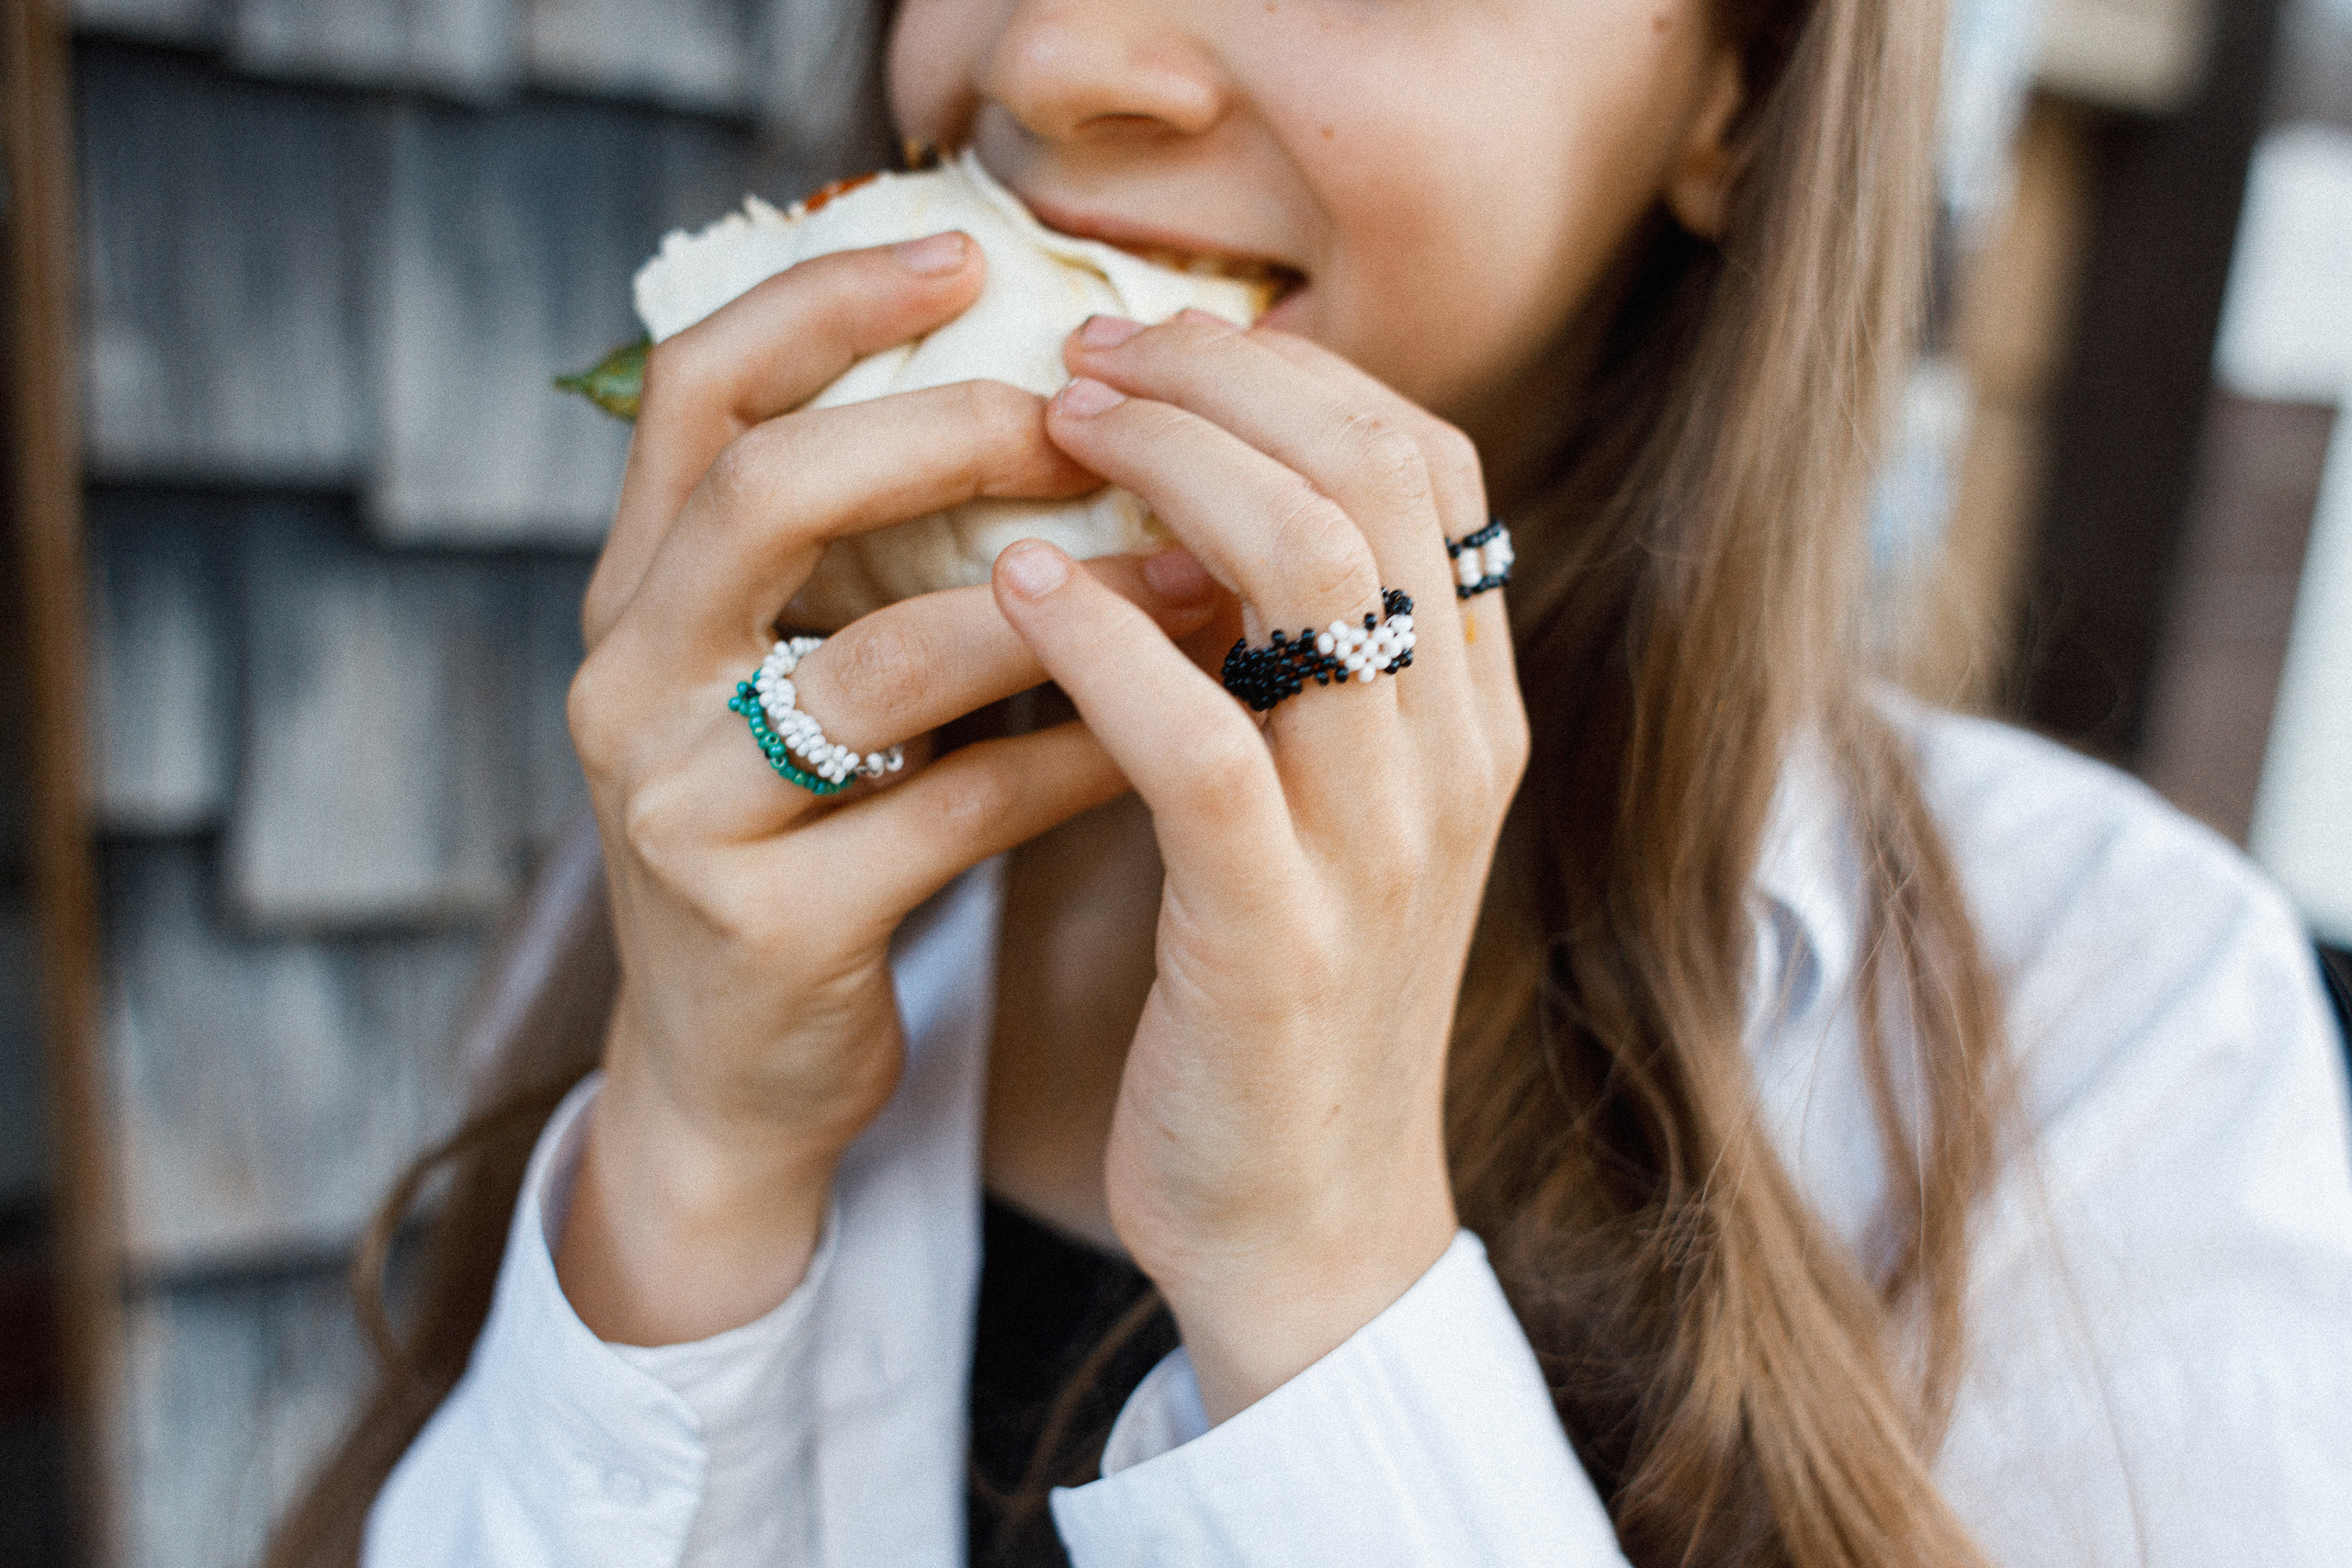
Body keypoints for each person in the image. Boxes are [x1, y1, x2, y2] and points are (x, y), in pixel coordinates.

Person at [271, 0, 2352, 1564]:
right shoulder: (737, 787)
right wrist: (696, 1153)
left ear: (1733, 94)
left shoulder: (2126, 1030)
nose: (1053, 58)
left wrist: (1323, 1265)